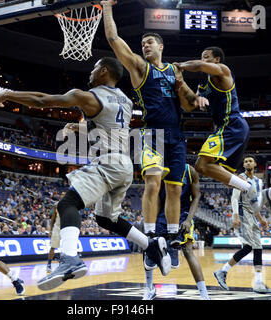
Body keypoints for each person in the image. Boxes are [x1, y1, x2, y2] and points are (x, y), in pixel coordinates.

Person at [0, 57, 171, 291]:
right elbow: (109, 127)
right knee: (106, 219)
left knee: (67, 204)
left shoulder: (89, 95)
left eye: (95, 67)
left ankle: (69, 259)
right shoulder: (126, 101)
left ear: (104, 71)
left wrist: (8, 93)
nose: (91, 72)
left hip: (107, 162)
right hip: (125, 165)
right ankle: (150, 245)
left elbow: (43, 100)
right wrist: (81, 128)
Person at [101, 0, 204, 259]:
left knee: (175, 189)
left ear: (161, 46)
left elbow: (189, 104)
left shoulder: (174, 70)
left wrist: (197, 98)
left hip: (176, 135)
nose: (145, 45)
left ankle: (169, 237)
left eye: (150, 42)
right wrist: (107, 7)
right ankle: (148, 235)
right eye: (143, 43)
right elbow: (113, 38)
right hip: (152, 133)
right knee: (152, 181)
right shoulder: (140, 67)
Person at [174, 47, 271, 215]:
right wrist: (181, 82)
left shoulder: (223, 71)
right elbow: (188, 106)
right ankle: (263, 195)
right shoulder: (203, 85)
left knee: (201, 165)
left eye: (207, 57)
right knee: (227, 178)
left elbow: (200, 66)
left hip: (232, 124)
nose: (203, 60)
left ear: (217, 60)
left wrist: (180, 66)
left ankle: (250, 188)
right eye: (201, 57)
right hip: (230, 128)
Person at [143, 164, 210, 300]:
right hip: (162, 213)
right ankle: (149, 289)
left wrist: (189, 219)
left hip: (182, 214)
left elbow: (196, 196)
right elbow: (155, 197)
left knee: (188, 250)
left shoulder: (189, 171)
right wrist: (153, 221)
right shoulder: (157, 169)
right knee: (148, 245)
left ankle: (204, 295)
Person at [213, 155, 271, 294]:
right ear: (244, 165)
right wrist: (235, 215)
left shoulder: (258, 182)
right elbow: (234, 198)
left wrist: (260, 219)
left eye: (250, 161)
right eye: (245, 161)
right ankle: (225, 272)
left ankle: (256, 282)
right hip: (242, 215)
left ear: (255, 164)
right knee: (252, 247)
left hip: (252, 217)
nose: (248, 163)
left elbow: (255, 203)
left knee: (255, 248)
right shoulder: (240, 178)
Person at [46, 203, 61, 273]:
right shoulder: (57, 205)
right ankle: (49, 265)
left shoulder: (70, 204)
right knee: (53, 247)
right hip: (57, 228)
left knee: (67, 248)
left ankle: (64, 263)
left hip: (66, 228)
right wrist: (50, 230)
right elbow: (52, 219)